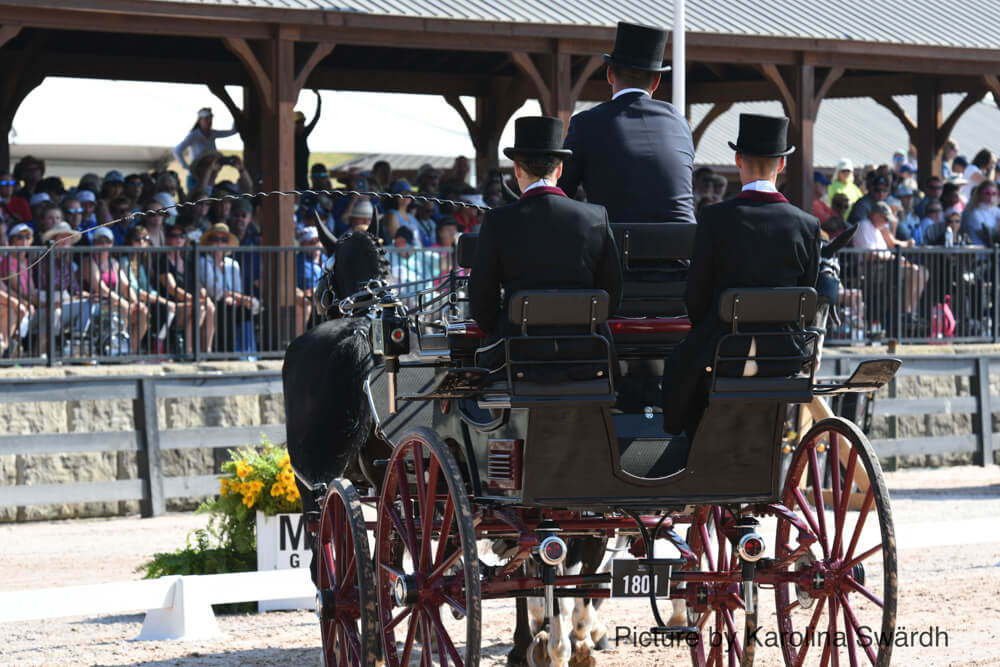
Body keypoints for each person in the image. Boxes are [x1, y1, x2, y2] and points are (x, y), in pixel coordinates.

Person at [661, 114, 820, 437]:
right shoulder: (807, 225)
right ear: (781, 164)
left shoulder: (715, 218)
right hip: (782, 353)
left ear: (737, 160)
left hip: (724, 350)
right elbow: (806, 295)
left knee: (679, 364)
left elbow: (696, 296)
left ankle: (689, 439)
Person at [469, 116, 622, 365]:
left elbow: (481, 303)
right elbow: (611, 296)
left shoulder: (498, 221)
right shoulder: (596, 217)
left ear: (517, 169)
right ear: (559, 170)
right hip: (588, 353)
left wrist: (504, 326)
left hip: (517, 353)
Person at [558, 21, 694, 223]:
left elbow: (560, 195)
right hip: (682, 241)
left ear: (610, 74)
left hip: (616, 240)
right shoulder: (679, 122)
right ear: (656, 81)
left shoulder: (586, 123)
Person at [84, 226, 149, 354]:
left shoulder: (113, 262)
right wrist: (122, 301)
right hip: (95, 305)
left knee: (142, 311)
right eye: (100, 241)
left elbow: (126, 286)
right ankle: (118, 348)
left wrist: (135, 302)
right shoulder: (89, 262)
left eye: (107, 241)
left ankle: (131, 352)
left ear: (112, 243)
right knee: (123, 307)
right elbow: (101, 288)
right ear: (94, 243)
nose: (104, 245)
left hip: (112, 303)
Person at [200, 222, 258, 354]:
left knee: (250, 308)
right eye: (215, 239)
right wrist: (235, 297)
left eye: (223, 240)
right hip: (213, 301)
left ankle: (247, 350)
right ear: (208, 243)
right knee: (227, 307)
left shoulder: (233, 264)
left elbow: (238, 288)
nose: (219, 243)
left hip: (232, 302)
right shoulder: (203, 262)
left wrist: (236, 298)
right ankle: (226, 352)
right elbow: (213, 290)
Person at [158, 224, 215, 352]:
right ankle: (189, 351)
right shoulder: (164, 261)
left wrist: (205, 298)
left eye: (182, 236)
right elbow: (171, 288)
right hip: (171, 307)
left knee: (210, 307)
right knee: (198, 308)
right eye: (174, 236)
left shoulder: (187, 261)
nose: (178, 239)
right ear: (168, 239)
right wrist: (194, 300)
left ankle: (207, 350)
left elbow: (198, 284)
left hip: (190, 303)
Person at [173, 108, 239, 193]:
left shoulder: (212, 133)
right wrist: (187, 167)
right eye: (206, 119)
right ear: (200, 120)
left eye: (210, 119)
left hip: (209, 176)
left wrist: (236, 114)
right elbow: (177, 150)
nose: (209, 121)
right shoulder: (194, 135)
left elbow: (232, 132)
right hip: (196, 176)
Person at [294, 91, 322, 190]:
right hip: (293, 183)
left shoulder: (303, 136)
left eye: (303, 122)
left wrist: (319, 97)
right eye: (299, 123)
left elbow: (317, 117)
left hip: (303, 182)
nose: (302, 125)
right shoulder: (288, 140)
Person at [960, 181, 1000, 246]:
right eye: (987, 193)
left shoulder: (995, 210)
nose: (991, 196)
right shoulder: (974, 212)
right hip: (978, 250)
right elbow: (987, 238)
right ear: (980, 193)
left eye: (994, 193)